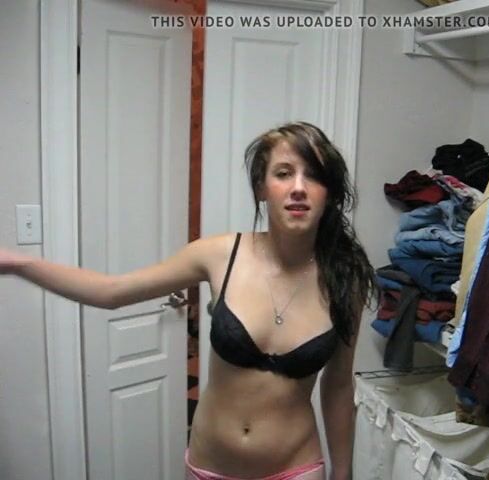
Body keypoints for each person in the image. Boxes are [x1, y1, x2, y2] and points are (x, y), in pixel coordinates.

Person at [0, 121, 376, 480]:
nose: (298, 187)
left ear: (329, 192)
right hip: (211, 467)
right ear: (262, 187)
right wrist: (21, 264)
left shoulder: (346, 280)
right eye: (283, 173)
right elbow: (112, 291)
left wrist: (342, 471)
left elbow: (338, 385)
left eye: (314, 176)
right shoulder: (219, 255)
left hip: (296, 467)